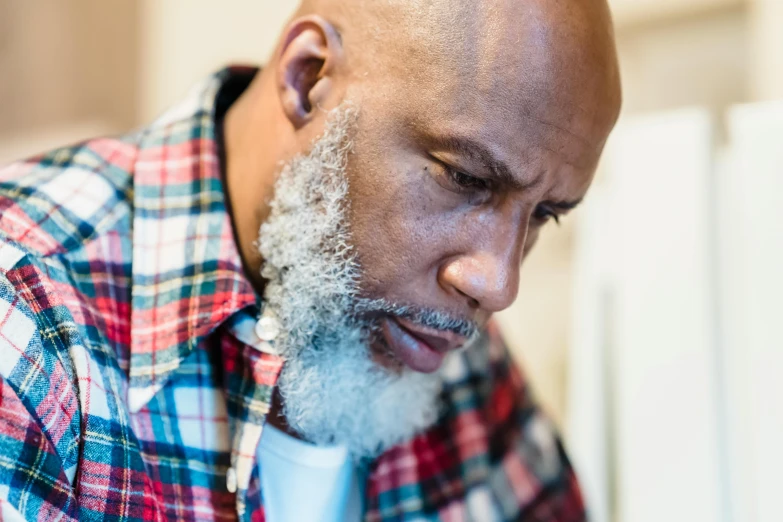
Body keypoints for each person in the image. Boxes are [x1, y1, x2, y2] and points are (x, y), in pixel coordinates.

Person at [0, 0, 621, 520]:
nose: (498, 282)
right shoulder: (26, 318)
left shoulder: (445, 342)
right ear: (309, 78)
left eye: (543, 215)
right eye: (463, 177)